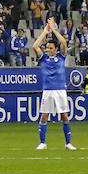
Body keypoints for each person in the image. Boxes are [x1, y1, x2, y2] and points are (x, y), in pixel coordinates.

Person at [32, 17, 75, 151]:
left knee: (64, 116)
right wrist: (45, 32)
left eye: (51, 48)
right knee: (44, 116)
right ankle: (42, 142)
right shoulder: (43, 58)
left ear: (55, 49)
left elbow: (63, 42)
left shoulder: (61, 57)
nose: (48, 50)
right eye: (47, 48)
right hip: (48, 90)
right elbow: (35, 46)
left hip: (60, 90)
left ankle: (68, 143)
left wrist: (54, 29)